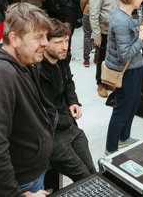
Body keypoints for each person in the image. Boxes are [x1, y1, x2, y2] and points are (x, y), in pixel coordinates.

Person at [0, 3, 55, 197]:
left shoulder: (23, 63)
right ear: (14, 39)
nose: (45, 43)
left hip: (33, 174)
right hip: (23, 183)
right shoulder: (0, 76)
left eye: (46, 36)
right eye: (38, 37)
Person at [39, 19, 96, 180]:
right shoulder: (36, 70)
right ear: (44, 42)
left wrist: (73, 101)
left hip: (69, 125)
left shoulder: (63, 58)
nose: (64, 46)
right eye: (58, 42)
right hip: (52, 134)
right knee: (84, 177)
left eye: (66, 40)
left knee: (92, 172)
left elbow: (68, 81)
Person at [104, 0, 143, 154]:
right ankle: (111, 147)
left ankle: (124, 137)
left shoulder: (128, 15)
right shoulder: (121, 20)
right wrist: (141, 38)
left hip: (134, 68)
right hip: (127, 70)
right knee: (122, 108)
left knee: (133, 103)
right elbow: (125, 54)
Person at [89, 0, 118, 98]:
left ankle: (109, 80)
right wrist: (97, 36)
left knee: (112, 57)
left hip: (115, 31)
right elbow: (93, 15)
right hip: (104, 32)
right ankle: (100, 83)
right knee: (101, 58)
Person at [80, 0, 102, 67]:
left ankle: (86, 58)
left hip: (88, 10)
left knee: (87, 35)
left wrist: (83, 8)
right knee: (98, 33)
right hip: (99, 11)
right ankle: (97, 57)